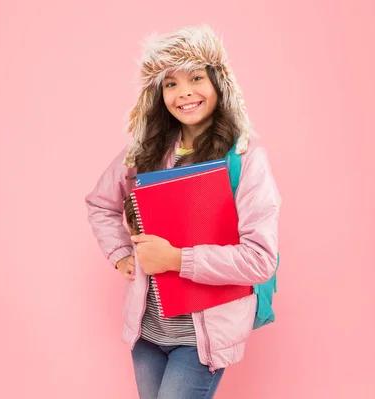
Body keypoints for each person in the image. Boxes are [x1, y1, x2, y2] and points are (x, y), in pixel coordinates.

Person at [85, 25, 281, 399]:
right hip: (148, 333)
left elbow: (259, 260)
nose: (184, 93)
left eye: (196, 78)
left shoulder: (246, 159)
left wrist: (176, 259)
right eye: (170, 83)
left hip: (202, 339)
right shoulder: (144, 153)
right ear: (158, 94)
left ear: (219, 84)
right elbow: (99, 203)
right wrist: (120, 254)